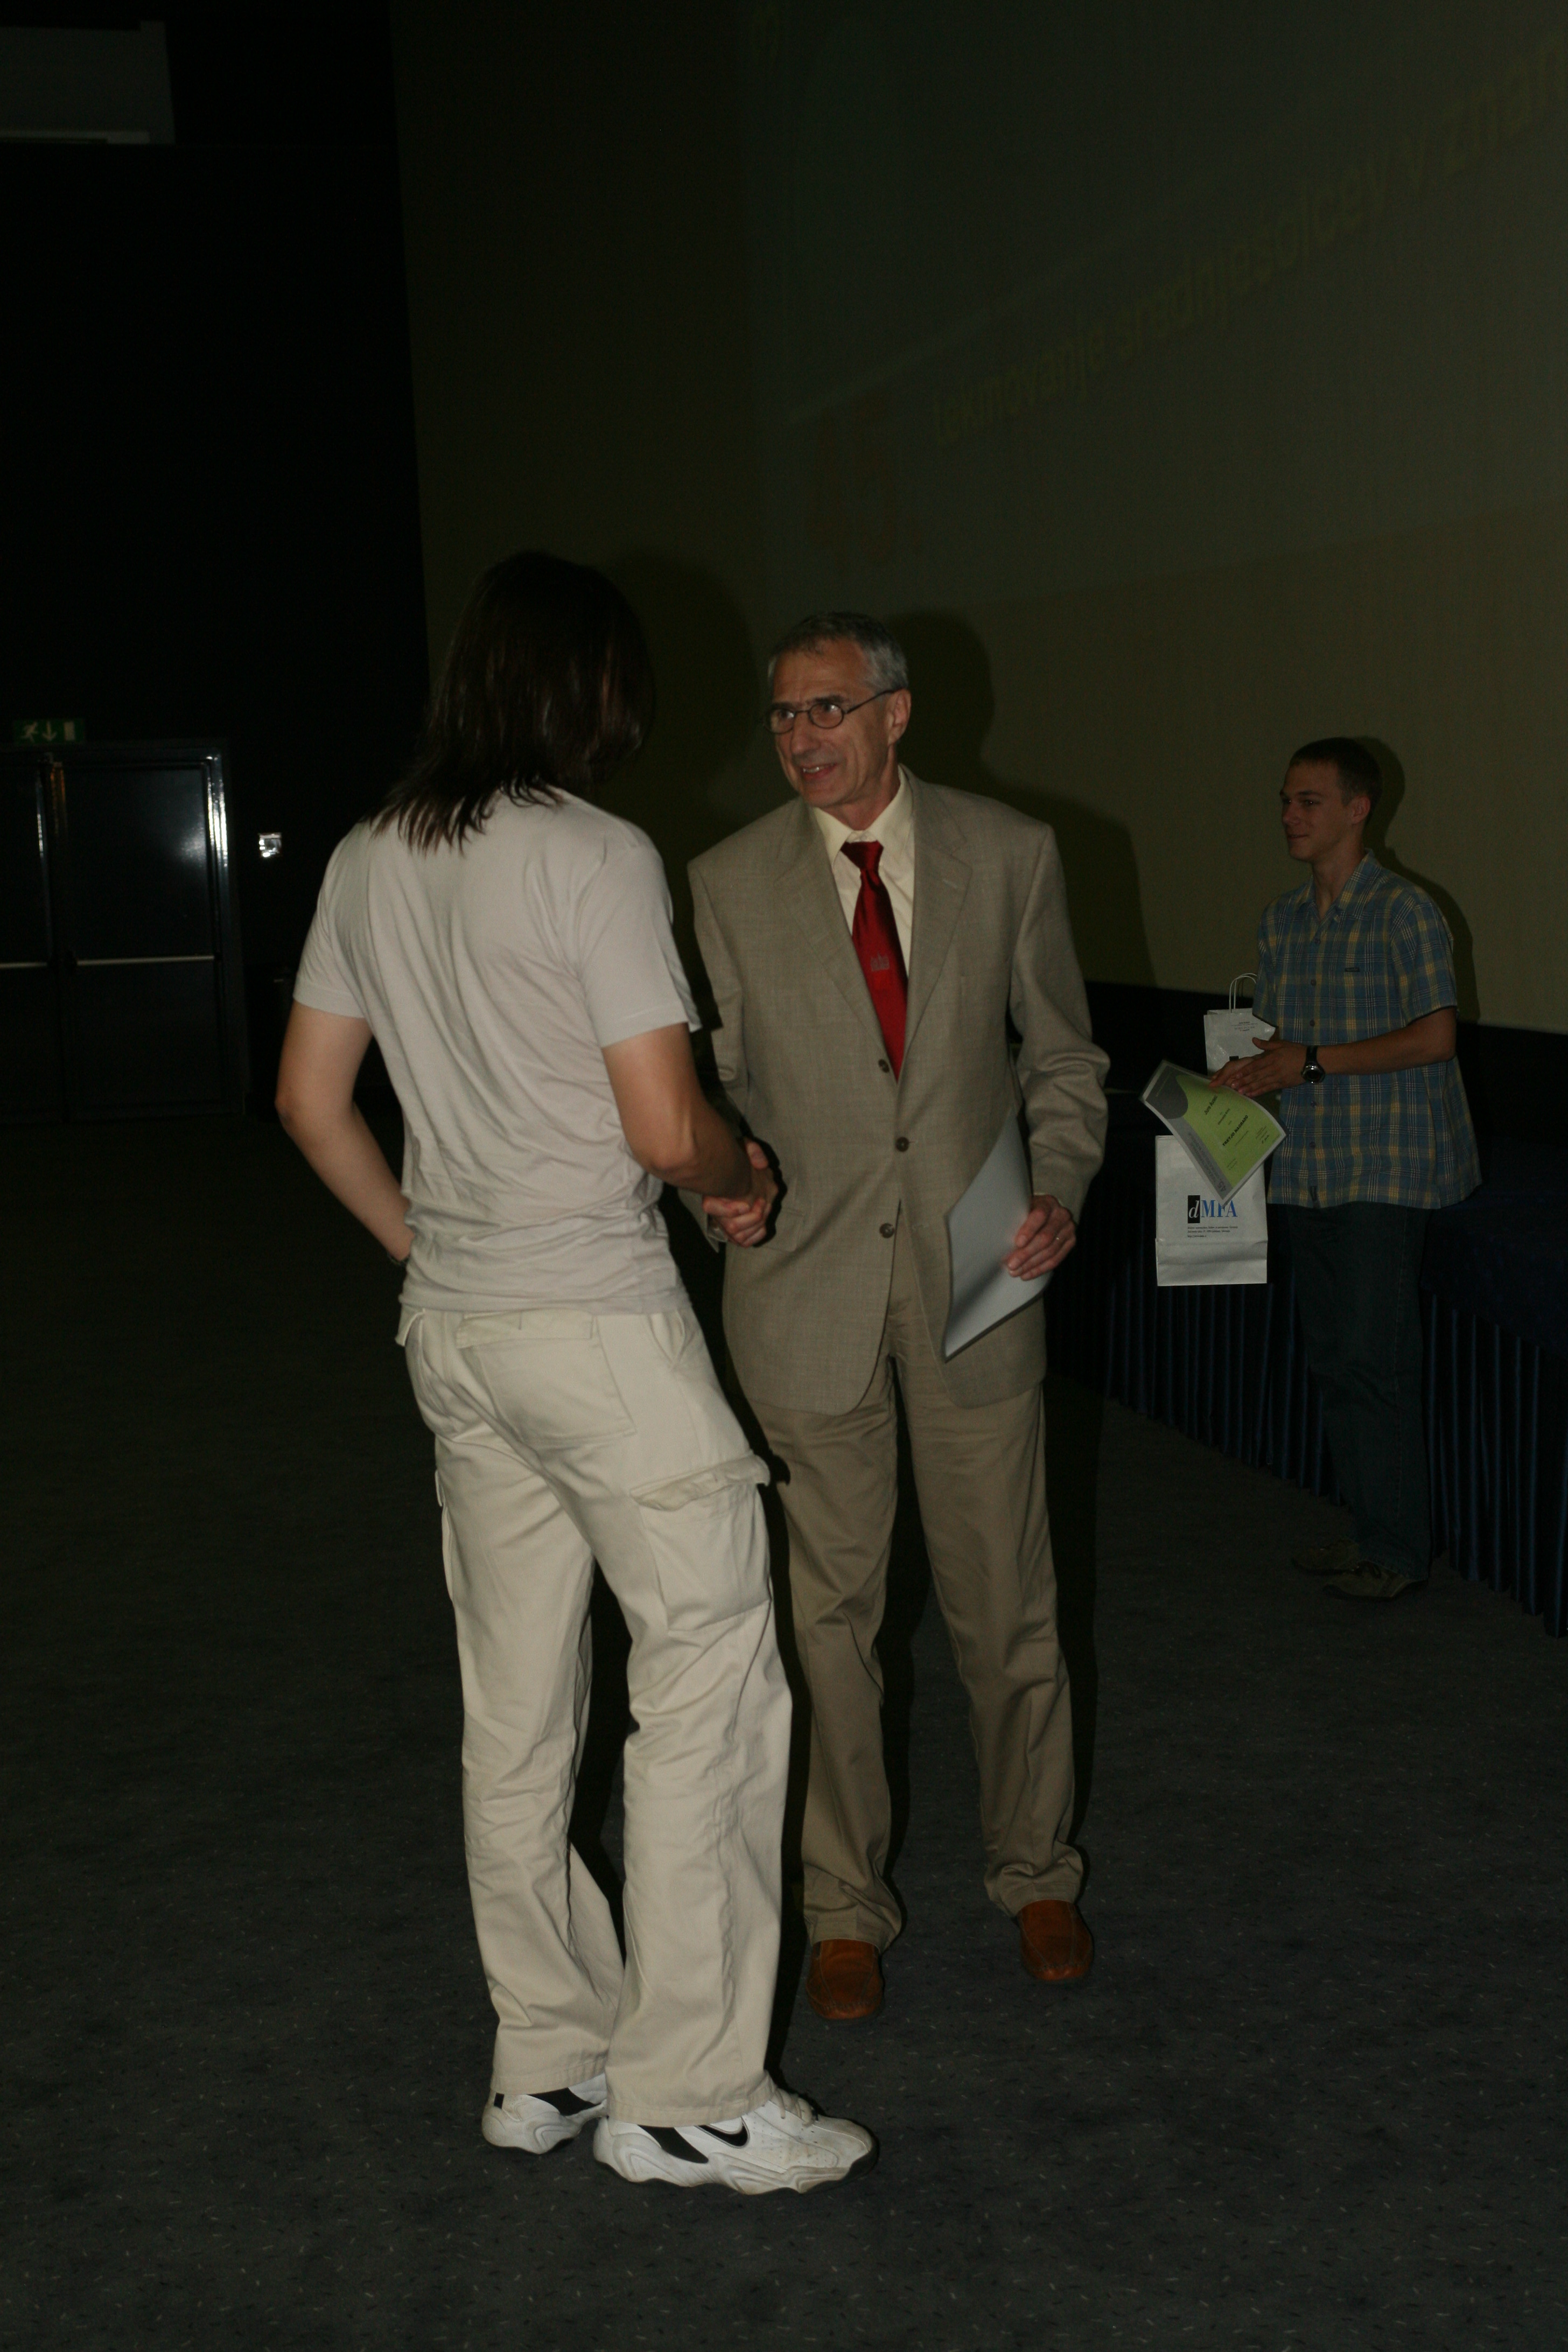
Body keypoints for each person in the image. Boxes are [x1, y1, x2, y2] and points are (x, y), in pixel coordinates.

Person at [275, 552, 872, 2193]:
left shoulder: (368, 855)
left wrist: (426, 1250)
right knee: (715, 1674)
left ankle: (548, 2050)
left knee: (516, 1707)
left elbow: (311, 1103)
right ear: (592, 686)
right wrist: (740, 1174)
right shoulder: (594, 853)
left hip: (460, 1331)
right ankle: (688, 2090)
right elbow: (666, 1127)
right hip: (599, 1329)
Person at [689, 611, 1109, 2022]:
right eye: (782, 714)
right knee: (830, 1626)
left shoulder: (1010, 853)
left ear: (896, 713)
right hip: (801, 1293)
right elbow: (713, 1090)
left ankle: (1035, 1870)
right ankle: (843, 1906)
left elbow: (1063, 1057)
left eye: (826, 708)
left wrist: (1057, 1185)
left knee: (1010, 1612)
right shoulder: (726, 881)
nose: (800, 736)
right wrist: (718, 1191)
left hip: (980, 1280)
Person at [1212, 737, 1479, 1603]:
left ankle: (1397, 1552)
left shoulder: (1405, 912)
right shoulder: (1282, 921)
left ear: (1358, 810)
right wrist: (1242, 1071)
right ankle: (1369, 1529)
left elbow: (1436, 1038)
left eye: (1310, 802)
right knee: (1333, 1358)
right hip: (1307, 1164)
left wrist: (1311, 1062)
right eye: (1285, 801)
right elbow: (1280, 1045)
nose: (1290, 816)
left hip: (1384, 1164)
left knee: (1376, 1360)